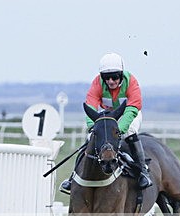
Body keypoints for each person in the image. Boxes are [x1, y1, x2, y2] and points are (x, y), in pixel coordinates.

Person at [60, 52, 153, 194]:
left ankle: (143, 172)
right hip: (107, 116)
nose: (110, 81)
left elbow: (133, 107)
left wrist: (119, 129)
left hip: (129, 114)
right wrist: (93, 127)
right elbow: (90, 105)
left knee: (129, 132)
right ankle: (73, 176)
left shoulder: (131, 81)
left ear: (121, 74)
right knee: (91, 137)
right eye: (106, 77)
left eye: (115, 77)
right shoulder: (97, 83)